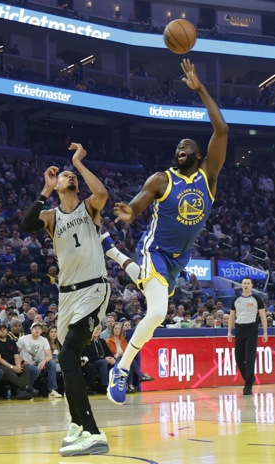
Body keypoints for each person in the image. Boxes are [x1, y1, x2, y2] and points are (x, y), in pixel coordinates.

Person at [103, 59, 228, 405]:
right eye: (177, 147)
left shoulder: (208, 177)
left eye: (186, 146)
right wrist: (130, 212)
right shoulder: (162, 179)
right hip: (154, 250)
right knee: (157, 312)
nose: (180, 148)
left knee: (148, 286)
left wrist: (199, 89)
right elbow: (137, 204)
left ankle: (112, 251)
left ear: (198, 155)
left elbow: (221, 130)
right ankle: (122, 369)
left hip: (179, 258)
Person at [20, 142, 110, 456]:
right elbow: (25, 225)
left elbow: (103, 193)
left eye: (72, 176)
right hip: (67, 296)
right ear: (57, 186)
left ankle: (93, 432)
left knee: (70, 355)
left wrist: (78, 163)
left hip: (93, 289)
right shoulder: (51, 216)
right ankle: (75, 424)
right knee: (66, 359)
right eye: (65, 175)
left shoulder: (89, 207)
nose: (69, 176)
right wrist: (45, 188)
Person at [227, 277, 268, 396]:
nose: (246, 285)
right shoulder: (236, 300)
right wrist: (229, 331)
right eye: (244, 283)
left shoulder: (257, 299)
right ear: (241, 285)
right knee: (239, 358)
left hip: (251, 330)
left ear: (251, 285)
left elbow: (263, 316)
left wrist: (265, 332)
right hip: (239, 330)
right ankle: (250, 378)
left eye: (248, 283)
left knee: (249, 358)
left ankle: (248, 386)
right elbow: (231, 316)